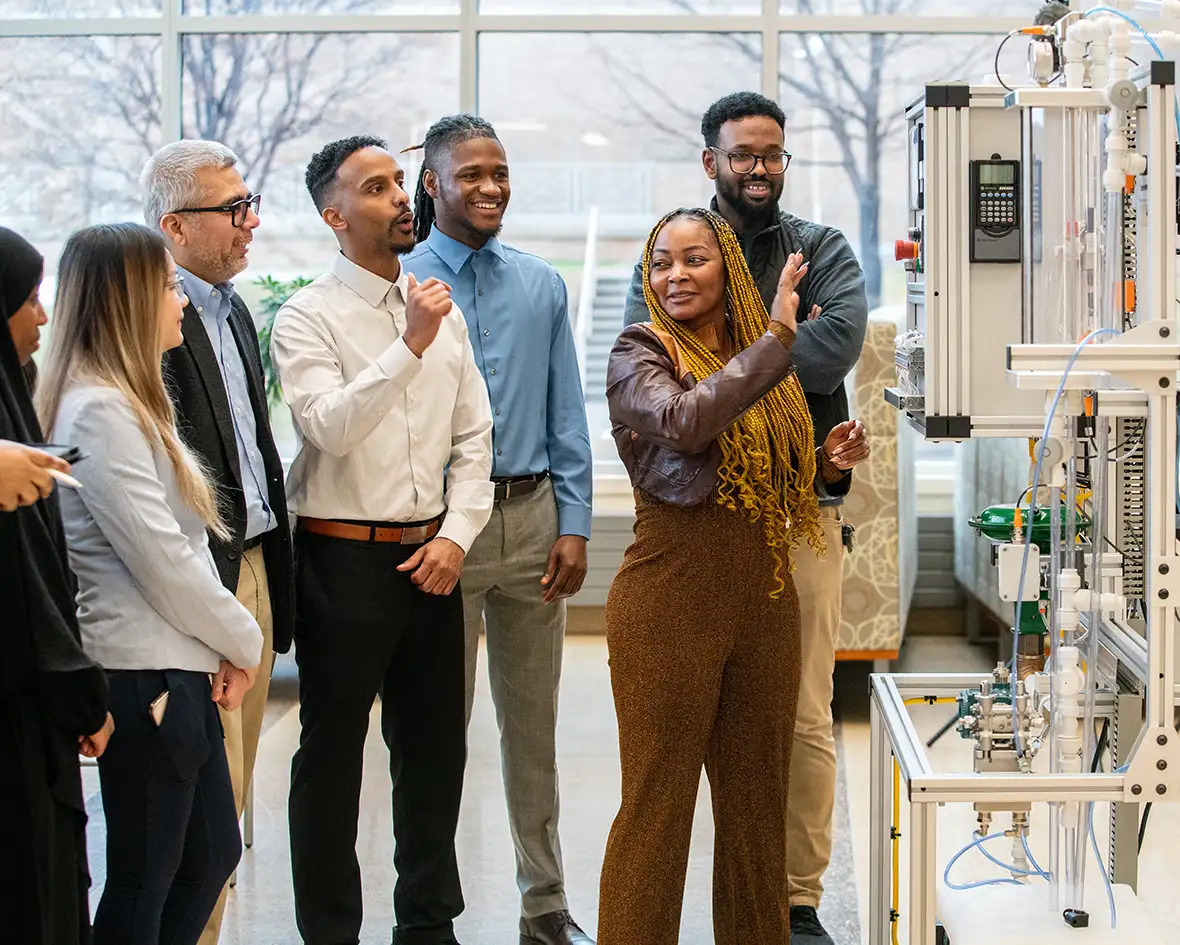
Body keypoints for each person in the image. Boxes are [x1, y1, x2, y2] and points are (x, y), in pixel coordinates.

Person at [622, 92, 869, 945]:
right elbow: (690, 421)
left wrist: (825, 457)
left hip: (776, 561)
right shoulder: (643, 352)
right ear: (713, 160)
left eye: (696, 261)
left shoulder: (819, 250)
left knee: (767, 775)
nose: (676, 276)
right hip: (679, 583)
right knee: (659, 797)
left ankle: (784, 914)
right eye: (663, 264)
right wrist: (777, 335)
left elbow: (839, 349)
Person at [273, 135, 494, 945]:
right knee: (331, 759)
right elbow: (328, 427)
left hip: (434, 557)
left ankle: (428, 924)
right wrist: (409, 347)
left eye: (400, 182)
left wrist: (459, 535)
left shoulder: (440, 306)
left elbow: (476, 440)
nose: (403, 197)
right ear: (335, 216)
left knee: (436, 753)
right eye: (377, 187)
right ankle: (330, 931)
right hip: (342, 560)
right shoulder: (307, 316)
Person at [38, 222, 264, 945]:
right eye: (167, 285)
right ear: (128, 300)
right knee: (147, 873)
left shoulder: (128, 402)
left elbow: (180, 552)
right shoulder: (100, 411)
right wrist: (245, 639)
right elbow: (162, 559)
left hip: (175, 663)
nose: (180, 301)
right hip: (142, 673)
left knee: (208, 857)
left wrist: (224, 647)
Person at [402, 114, 594, 945]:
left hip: (531, 523)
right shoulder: (398, 281)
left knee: (533, 732)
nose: (490, 187)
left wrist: (575, 521)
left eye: (501, 172)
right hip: (437, 533)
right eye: (471, 174)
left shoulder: (541, 284)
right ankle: (430, 910)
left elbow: (565, 410)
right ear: (434, 184)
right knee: (433, 735)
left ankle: (544, 904)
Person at [142, 139, 295, 945]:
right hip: (205, 583)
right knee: (202, 811)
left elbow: (250, 445)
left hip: (260, 559)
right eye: (232, 210)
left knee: (230, 802)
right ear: (174, 226)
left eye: (249, 202)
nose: (251, 223)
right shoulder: (151, 327)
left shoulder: (231, 306)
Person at [0, 226, 113, 945]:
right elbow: (26, 585)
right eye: (28, 298)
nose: (42, 315)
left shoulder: (17, 402)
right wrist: (81, 693)